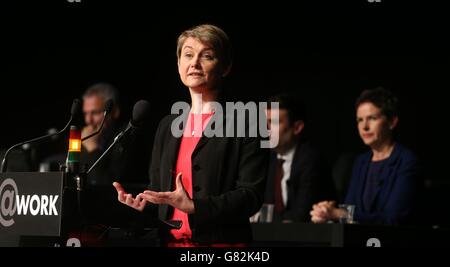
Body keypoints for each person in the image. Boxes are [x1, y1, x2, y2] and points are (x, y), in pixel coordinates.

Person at [112, 24, 269, 245]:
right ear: (178, 64)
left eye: (207, 56)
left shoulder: (247, 121)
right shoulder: (168, 125)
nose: (194, 63)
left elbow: (251, 196)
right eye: (187, 55)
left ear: (225, 67)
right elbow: (159, 192)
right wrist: (142, 207)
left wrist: (195, 207)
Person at [310, 87, 423, 225]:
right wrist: (326, 212)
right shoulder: (360, 162)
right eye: (360, 120)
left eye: (372, 118)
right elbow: (351, 211)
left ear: (392, 122)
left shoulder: (407, 161)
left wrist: (339, 214)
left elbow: (393, 219)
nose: (364, 127)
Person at [262, 94, 335, 222]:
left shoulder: (311, 160)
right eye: (266, 123)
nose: (267, 130)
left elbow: (301, 216)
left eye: (274, 122)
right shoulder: (267, 159)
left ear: (297, 127)